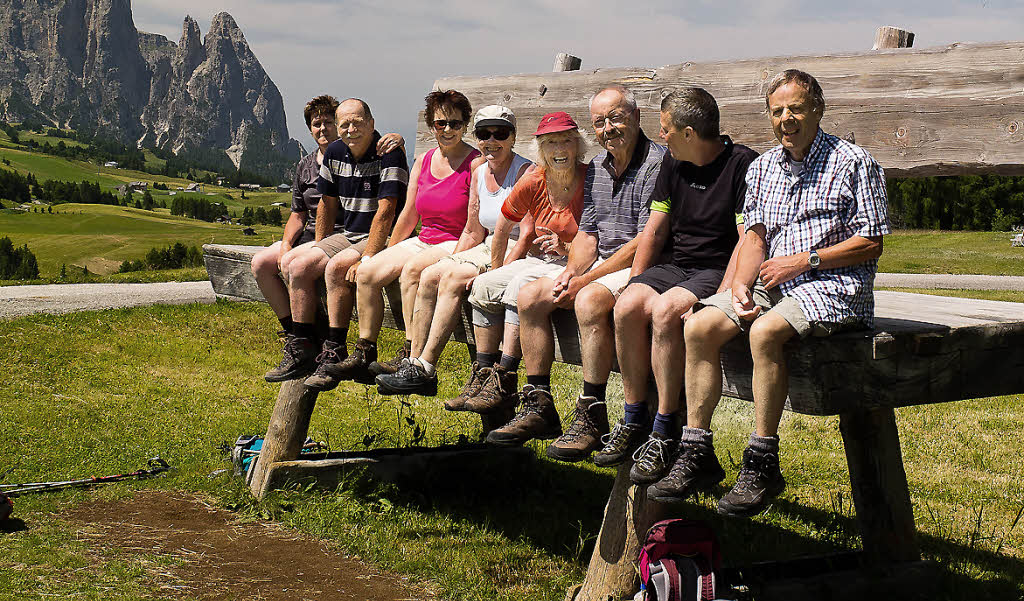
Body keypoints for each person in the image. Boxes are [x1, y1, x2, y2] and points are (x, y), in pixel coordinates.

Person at [676, 70, 889, 517]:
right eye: (777, 111)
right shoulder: (763, 167)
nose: (786, 118)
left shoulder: (853, 162)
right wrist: (738, 284)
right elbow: (754, 237)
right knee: (699, 325)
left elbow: (871, 241)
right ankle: (696, 450)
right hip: (774, 283)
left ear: (818, 109)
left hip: (834, 285)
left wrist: (804, 260)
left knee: (765, 332)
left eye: (796, 108)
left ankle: (762, 460)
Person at [601, 88, 757, 488]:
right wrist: (635, 281)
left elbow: (746, 241)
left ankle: (665, 428)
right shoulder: (673, 162)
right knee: (628, 305)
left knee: (666, 310)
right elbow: (654, 230)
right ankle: (634, 416)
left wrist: (715, 301)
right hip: (677, 264)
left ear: (689, 133)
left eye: (666, 129)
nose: (661, 135)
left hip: (715, 267)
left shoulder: (742, 165)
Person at [508, 85, 665, 461]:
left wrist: (586, 280)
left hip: (642, 265)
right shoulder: (596, 167)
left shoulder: (657, 164)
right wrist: (572, 270)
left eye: (616, 118)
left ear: (636, 117)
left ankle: (592, 413)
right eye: (599, 122)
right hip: (600, 263)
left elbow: (645, 241)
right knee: (531, 296)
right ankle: (539, 403)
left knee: (590, 300)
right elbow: (588, 233)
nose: (608, 128)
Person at [305, 90, 480, 388]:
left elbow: (475, 224)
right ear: (431, 126)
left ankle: (410, 355)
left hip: (457, 241)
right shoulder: (424, 161)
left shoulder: (475, 164)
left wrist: (454, 257)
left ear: (465, 125)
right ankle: (364, 350)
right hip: (424, 237)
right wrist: (378, 254)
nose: (448, 130)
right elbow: (409, 214)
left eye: (455, 123)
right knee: (368, 272)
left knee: (412, 271)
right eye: (440, 124)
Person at [375, 105, 533, 396]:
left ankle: (426, 367)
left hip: (514, 251)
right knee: (431, 274)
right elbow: (474, 229)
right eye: (484, 134)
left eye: (501, 133)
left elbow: (527, 234)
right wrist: (452, 257)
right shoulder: (480, 171)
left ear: (513, 137)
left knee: (451, 278)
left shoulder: (525, 171)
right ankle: (412, 361)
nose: (491, 141)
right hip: (487, 245)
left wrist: (497, 272)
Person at [461, 111, 588, 446]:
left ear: (578, 145)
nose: (559, 149)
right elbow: (503, 224)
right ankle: (483, 372)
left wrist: (567, 245)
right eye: (550, 143)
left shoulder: (589, 179)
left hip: (573, 263)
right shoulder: (535, 179)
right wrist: (496, 265)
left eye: (566, 141)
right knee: (484, 286)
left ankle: (504, 377)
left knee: (520, 289)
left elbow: (600, 235)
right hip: (538, 260)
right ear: (541, 150)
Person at [256, 96, 403, 382]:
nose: (351, 129)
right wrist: (320, 246)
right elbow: (327, 203)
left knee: (336, 268)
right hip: (348, 234)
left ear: (371, 124)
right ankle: (301, 347)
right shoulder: (335, 152)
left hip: (380, 236)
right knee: (297, 266)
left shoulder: (389, 152)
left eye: (357, 123)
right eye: (344, 124)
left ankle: (335, 349)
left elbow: (387, 212)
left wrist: (369, 256)